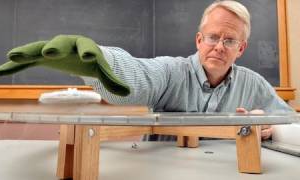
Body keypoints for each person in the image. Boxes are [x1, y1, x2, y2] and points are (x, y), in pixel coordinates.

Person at [80, 0, 294, 140]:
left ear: (241, 48)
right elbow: (137, 75)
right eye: (212, 37)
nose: (219, 46)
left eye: (229, 40)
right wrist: (93, 58)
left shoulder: (253, 83)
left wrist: (267, 123)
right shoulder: (171, 71)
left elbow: (291, 122)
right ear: (199, 40)